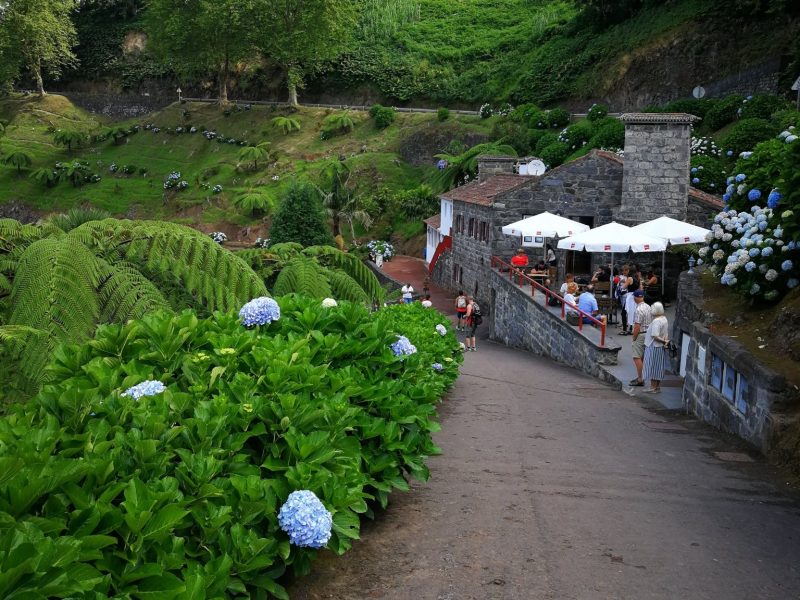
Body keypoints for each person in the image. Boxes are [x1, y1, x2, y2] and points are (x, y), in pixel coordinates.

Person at [642, 302, 669, 393]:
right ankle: (657, 387)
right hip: (660, 347)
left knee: (652, 366)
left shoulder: (656, 321)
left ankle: (652, 387)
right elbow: (666, 333)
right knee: (659, 367)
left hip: (653, 346)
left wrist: (664, 341)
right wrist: (665, 341)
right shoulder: (664, 319)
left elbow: (654, 336)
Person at [628, 290, 653, 387]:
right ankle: (641, 377)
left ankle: (640, 379)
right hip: (648, 333)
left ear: (635, 298)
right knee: (642, 357)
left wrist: (634, 337)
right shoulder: (648, 306)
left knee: (636, 356)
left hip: (641, 334)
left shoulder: (638, 309)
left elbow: (637, 326)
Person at [616, 265, 633, 335]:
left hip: (627, 295)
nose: (624, 272)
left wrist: (622, 283)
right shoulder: (622, 277)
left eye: (626, 270)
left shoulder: (629, 278)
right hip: (624, 295)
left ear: (629, 270)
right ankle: (628, 327)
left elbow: (624, 287)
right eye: (623, 270)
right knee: (627, 311)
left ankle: (626, 328)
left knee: (625, 312)